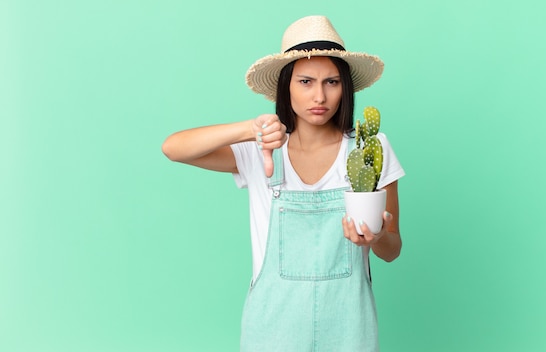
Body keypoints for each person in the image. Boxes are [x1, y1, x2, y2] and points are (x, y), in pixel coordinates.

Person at [162, 15, 405, 352]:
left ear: (344, 87)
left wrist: (377, 237)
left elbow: (392, 250)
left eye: (331, 82)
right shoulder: (260, 151)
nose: (319, 96)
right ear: (286, 85)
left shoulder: (370, 150)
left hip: (350, 327)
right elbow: (173, 148)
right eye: (306, 82)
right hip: (272, 329)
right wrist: (249, 129)